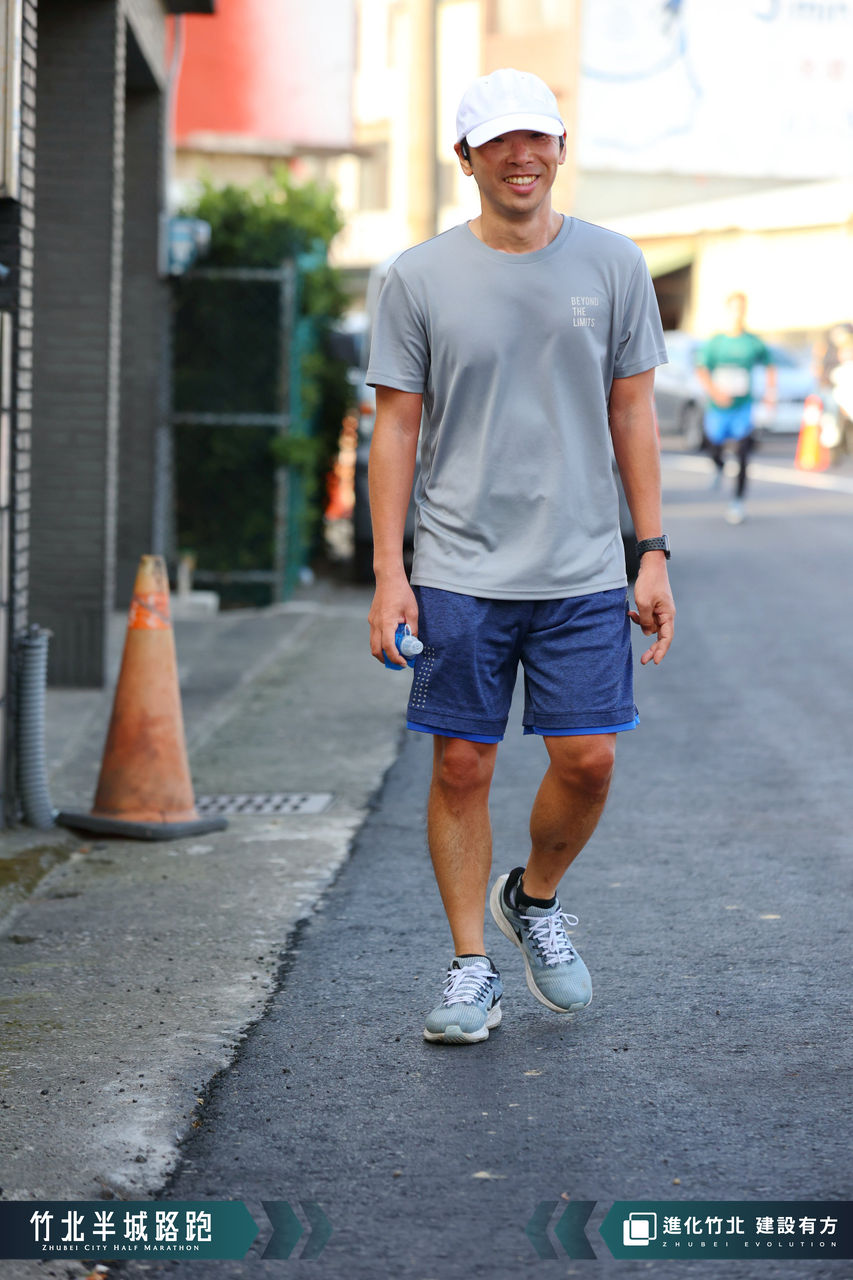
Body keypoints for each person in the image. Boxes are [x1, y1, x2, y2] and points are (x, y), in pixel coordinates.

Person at [366, 68, 675, 1045]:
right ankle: (470, 967)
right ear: (465, 157)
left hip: (582, 566)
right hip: (457, 566)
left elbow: (633, 411)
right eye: (499, 140)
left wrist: (652, 551)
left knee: (588, 760)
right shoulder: (417, 276)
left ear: (560, 148)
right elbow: (394, 429)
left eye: (537, 137)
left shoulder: (614, 263)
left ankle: (532, 898)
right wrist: (389, 573)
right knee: (461, 762)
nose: (521, 156)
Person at [695, 292, 777, 525]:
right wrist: (715, 393)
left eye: (742, 308)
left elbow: (770, 365)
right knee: (713, 447)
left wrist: (771, 392)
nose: (738, 313)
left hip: (743, 407)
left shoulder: (752, 342)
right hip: (718, 407)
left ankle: (737, 502)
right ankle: (719, 466)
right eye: (734, 308)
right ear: (727, 311)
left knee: (743, 452)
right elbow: (701, 370)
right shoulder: (716, 342)